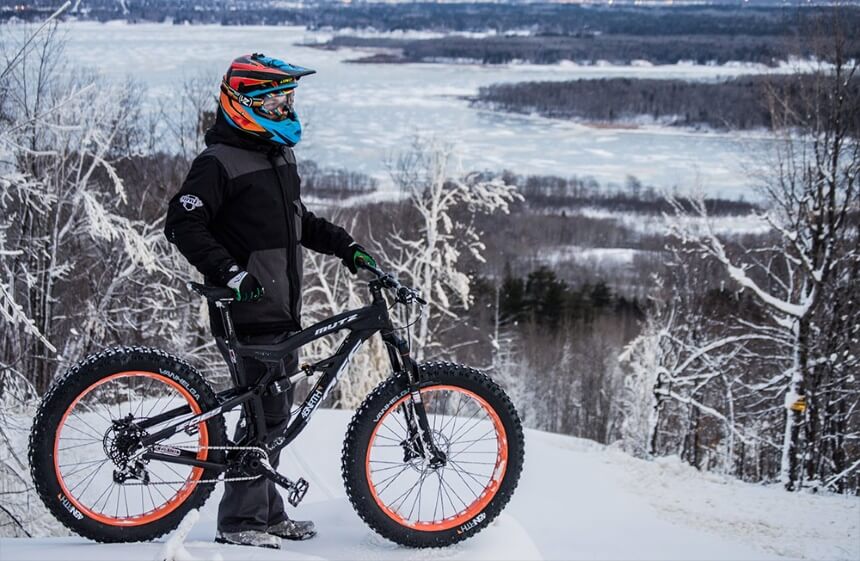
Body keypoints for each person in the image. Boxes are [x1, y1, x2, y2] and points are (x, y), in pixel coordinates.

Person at [164, 53, 375, 549]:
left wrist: (347, 246)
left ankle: (265, 511)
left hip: (280, 306)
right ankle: (239, 522)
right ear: (242, 104)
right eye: (273, 100)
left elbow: (297, 221)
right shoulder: (218, 163)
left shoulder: (277, 157)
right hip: (246, 308)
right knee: (265, 413)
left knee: (273, 411)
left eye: (287, 99)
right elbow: (182, 223)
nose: (284, 108)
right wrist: (230, 273)